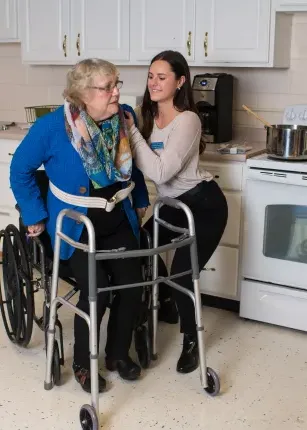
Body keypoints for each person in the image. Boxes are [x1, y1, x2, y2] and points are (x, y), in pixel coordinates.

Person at [10, 58, 150, 393]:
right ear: (83, 94)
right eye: (107, 87)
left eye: (117, 83)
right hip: (73, 226)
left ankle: (117, 354)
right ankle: (83, 364)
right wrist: (34, 215)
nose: (117, 91)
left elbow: (133, 165)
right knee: (97, 287)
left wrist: (141, 196)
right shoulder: (52, 127)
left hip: (118, 219)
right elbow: (20, 171)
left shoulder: (123, 116)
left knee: (132, 282)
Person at [125, 50, 228, 375]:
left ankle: (191, 340)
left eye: (162, 77)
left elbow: (161, 172)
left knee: (184, 271)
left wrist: (132, 134)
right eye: (151, 76)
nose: (153, 83)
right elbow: (138, 166)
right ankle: (163, 304)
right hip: (172, 206)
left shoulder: (188, 120)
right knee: (139, 243)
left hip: (203, 206)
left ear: (180, 81)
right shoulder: (147, 115)